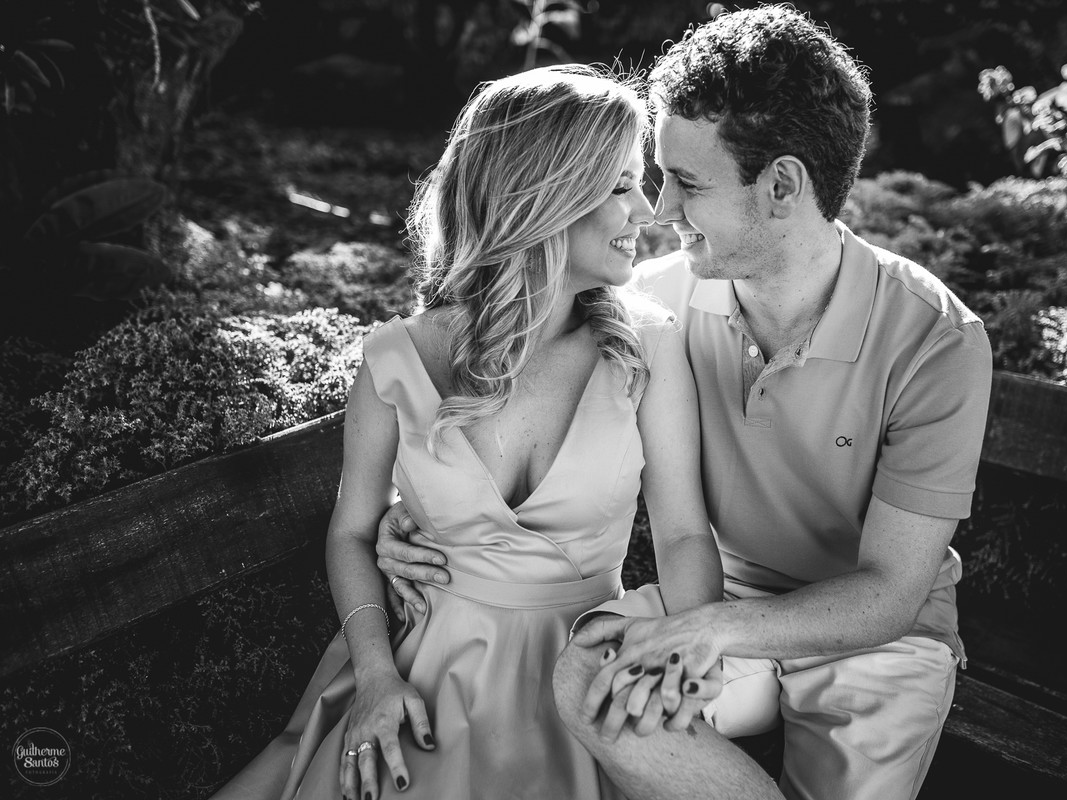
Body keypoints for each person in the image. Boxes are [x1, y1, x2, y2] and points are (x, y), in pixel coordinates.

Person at [377, 6, 993, 800]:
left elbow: (889, 592)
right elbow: (497, 384)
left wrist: (707, 628)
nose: (659, 213)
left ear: (781, 186)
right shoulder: (653, 310)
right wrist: (417, 508)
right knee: (591, 680)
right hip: (720, 603)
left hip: (877, 641)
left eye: (687, 184)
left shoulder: (935, 339)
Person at [209, 64, 724, 800]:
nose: (646, 211)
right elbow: (353, 532)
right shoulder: (397, 358)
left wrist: (683, 664)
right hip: (423, 680)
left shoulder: (648, 348)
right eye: (620, 185)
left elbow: (682, 537)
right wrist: (378, 675)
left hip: (587, 683)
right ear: (543, 196)